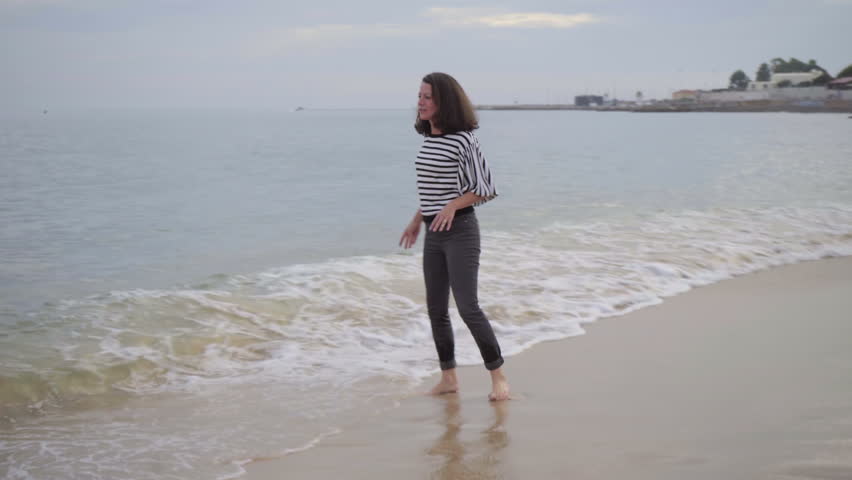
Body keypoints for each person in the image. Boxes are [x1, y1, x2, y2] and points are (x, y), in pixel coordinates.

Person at [399, 72, 510, 402]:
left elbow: (485, 188)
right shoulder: (430, 139)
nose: (421, 103)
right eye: (419, 96)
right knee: (436, 310)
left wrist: (451, 206)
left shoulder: (464, 139)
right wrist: (418, 219)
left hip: (460, 231)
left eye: (428, 97)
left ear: (444, 102)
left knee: (468, 307)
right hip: (434, 232)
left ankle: (499, 378)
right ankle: (449, 378)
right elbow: (434, 190)